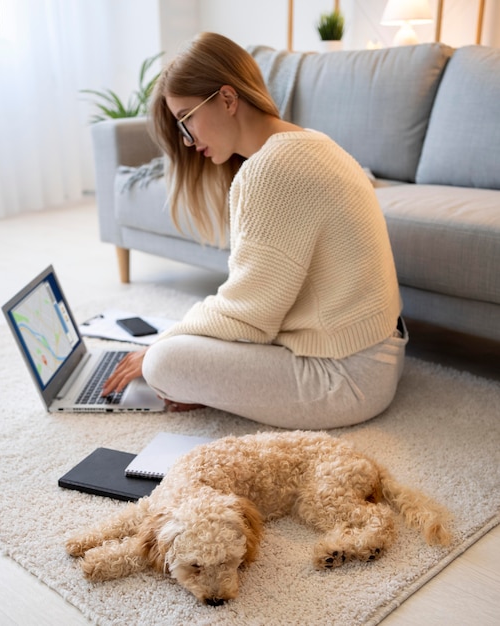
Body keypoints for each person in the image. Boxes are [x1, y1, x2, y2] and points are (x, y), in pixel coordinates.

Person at [102, 32, 408, 430]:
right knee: (184, 339)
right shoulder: (309, 140)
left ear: (228, 99)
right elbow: (260, 300)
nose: (187, 140)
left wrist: (161, 346)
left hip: (346, 379)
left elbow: (249, 316)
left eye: (187, 118)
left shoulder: (272, 168)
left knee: (164, 361)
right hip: (377, 353)